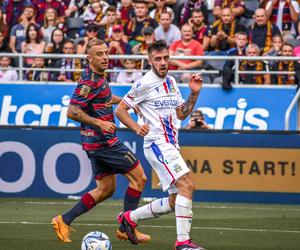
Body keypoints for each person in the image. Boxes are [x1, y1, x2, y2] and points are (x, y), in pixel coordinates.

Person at [51, 38, 150, 244]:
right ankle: (126, 228)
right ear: (89, 58)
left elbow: (104, 96)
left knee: (105, 189)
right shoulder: (88, 81)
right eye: (99, 54)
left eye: (106, 53)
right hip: (104, 142)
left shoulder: (98, 78)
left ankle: (64, 220)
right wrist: (99, 123)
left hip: (93, 144)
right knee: (139, 179)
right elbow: (72, 111)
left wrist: (125, 102)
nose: (105, 57)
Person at [115, 40, 205, 250]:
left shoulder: (172, 82)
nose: (163, 62)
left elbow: (181, 113)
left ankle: (128, 218)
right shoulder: (144, 83)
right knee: (187, 185)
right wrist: (136, 128)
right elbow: (120, 110)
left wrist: (194, 93)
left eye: (165, 57)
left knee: (175, 200)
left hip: (172, 144)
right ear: (150, 61)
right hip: (157, 143)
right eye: (158, 59)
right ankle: (183, 242)